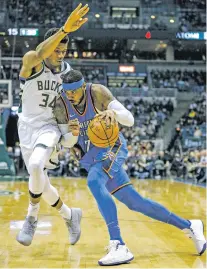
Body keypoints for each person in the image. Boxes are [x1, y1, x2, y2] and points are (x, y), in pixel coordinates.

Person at [54, 69, 206, 266]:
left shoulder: (98, 92)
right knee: (136, 203)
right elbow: (67, 143)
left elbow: (130, 119)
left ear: (83, 87)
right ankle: (190, 226)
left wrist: (113, 113)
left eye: (74, 91)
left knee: (93, 180)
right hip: (90, 157)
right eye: (67, 92)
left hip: (112, 147)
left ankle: (118, 243)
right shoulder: (60, 104)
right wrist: (73, 134)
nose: (70, 96)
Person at [16, 4, 89, 247]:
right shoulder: (32, 62)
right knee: (40, 179)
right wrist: (64, 29)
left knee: (37, 165)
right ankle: (70, 215)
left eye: (63, 50)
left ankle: (31, 218)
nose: (60, 54)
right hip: (26, 127)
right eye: (56, 49)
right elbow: (38, 53)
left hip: (50, 127)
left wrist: (74, 131)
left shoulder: (68, 73)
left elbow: (75, 102)